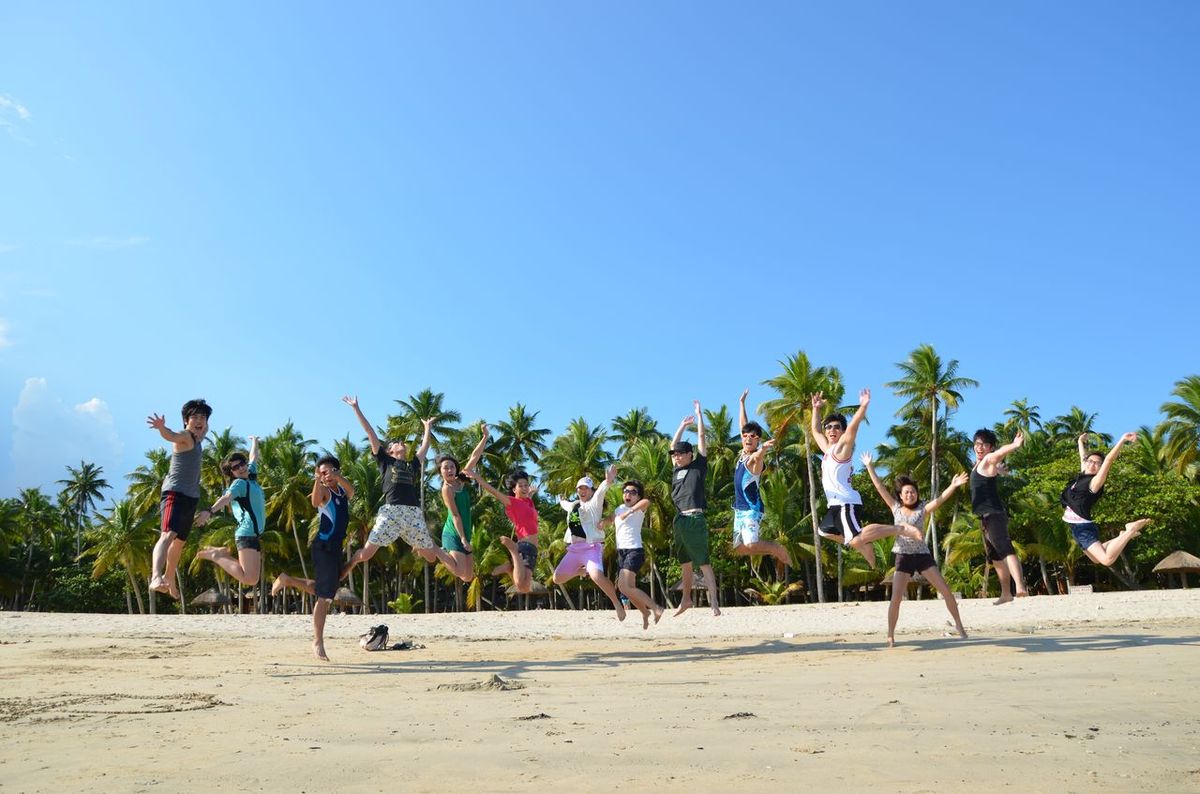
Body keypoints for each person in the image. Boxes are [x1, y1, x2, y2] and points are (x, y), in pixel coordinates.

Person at [340, 395, 459, 577]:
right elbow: (371, 433)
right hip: (392, 512)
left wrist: (427, 427)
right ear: (390, 451)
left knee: (430, 557)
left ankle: (416, 545)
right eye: (396, 443)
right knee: (366, 554)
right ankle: (351, 561)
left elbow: (424, 447)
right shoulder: (385, 461)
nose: (401, 442)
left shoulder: (412, 465)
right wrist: (356, 408)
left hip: (412, 513)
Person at [861, 452, 969, 647]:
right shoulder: (895, 508)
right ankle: (890, 634)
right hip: (903, 557)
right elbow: (879, 487)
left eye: (913, 491)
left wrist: (953, 485)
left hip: (922, 556)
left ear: (916, 494)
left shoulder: (923, 509)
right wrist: (870, 466)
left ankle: (960, 626)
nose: (910, 494)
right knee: (896, 598)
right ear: (901, 496)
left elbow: (941, 499)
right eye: (906, 492)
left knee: (946, 591)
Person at [810, 389, 921, 569]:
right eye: (828, 427)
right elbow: (815, 431)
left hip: (846, 503)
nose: (831, 430)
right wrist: (816, 408)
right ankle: (863, 544)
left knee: (855, 540)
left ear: (842, 431)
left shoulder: (841, 450)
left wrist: (862, 407)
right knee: (824, 531)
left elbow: (852, 428)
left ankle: (901, 528)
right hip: (835, 505)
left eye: (837, 427)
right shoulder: (827, 451)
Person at [271, 455, 355, 661]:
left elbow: (352, 491)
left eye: (329, 471)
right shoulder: (324, 491)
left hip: (336, 547)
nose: (327, 475)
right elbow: (315, 501)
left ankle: (287, 580)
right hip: (323, 547)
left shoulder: (342, 492)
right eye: (322, 472)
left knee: (328, 589)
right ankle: (317, 641)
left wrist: (338, 476)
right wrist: (318, 479)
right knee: (324, 597)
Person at [148, 399, 213, 600]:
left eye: (203, 417)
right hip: (174, 494)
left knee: (179, 543)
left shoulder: (199, 438)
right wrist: (161, 428)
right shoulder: (185, 437)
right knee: (167, 535)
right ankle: (156, 577)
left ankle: (169, 578)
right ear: (186, 421)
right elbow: (171, 436)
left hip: (190, 497)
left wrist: (204, 419)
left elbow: (205, 429)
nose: (200, 421)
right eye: (195, 417)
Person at [1062, 432, 1150, 568]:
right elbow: (1083, 458)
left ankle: (1130, 531)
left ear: (1100, 468)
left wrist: (1122, 439)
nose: (1093, 465)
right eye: (1090, 462)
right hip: (1077, 528)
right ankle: (1123, 536)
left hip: (1082, 528)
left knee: (1107, 560)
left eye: (1097, 464)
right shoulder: (1081, 477)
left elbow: (1109, 459)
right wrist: (1080, 442)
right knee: (1095, 559)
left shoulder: (1094, 483)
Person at [552, 465, 626, 621]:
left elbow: (601, 491)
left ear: (591, 491)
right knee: (557, 578)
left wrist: (608, 480)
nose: (582, 490)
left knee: (597, 576)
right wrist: (561, 500)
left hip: (591, 548)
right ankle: (580, 572)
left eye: (586, 488)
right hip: (574, 550)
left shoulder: (594, 504)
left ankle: (617, 603)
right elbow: (564, 504)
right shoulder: (573, 506)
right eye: (579, 488)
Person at [670, 401, 720, 617]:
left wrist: (699, 416)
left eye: (681, 454)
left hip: (694, 518)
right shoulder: (675, 470)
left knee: (704, 563)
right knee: (685, 564)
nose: (677, 457)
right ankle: (686, 600)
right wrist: (681, 426)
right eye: (675, 455)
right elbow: (673, 444)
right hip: (679, 520)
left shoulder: (698, 466)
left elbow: (701, 440)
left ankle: (715, 603)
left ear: (689, 455)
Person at [732, 389, 791, 569]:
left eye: (753, 437)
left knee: (750, 544)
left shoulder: (755, 461)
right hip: (739, 510)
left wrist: (763, 449)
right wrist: (741, 403)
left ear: (758, 440)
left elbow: (757, 459)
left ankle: (775, 548)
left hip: (752, 509)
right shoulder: (743, 453)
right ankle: (771, 549)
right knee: (739, 548)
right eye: (745, 436)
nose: (748, 438)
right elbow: (744, 425)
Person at [197, 436, 265, 588]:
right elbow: (226, 497)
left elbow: (253, 457)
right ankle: (217, 556)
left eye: (242, 464)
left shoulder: (251, 476)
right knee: (248, 579)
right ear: (231, 473)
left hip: (254, 534)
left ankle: (219, 555)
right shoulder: (239, 484)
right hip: (246, 532)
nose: (241, 468)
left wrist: (254, 441)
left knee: (252, 579)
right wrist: (210, 511)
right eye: (235, 468)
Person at [970, 428, 1028, 604]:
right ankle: (1005, 593)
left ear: (990, 447)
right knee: (995, 557)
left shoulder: (988, 459)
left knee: (1005, 549)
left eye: (984, 444)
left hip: (994, 514)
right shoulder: (979, 464)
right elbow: (993, 467)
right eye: (977, 444)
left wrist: (1015, 445)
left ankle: (1020, 587)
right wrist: (1000, 471)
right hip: (985, 517)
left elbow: (997, 455)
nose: (980, 447)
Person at [601, 479, 663, 629]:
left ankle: (656, 608)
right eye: (626, 491)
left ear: (638, 496)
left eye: (633, 492)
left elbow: (646, 501)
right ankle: (645, 612)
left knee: (623, 587)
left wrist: (629, 511)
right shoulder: (618, 509)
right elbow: (609, 520)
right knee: (628, 589)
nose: (628, 494)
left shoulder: (638, 508)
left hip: (634, 550)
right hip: (621, 553)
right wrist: (600, 521)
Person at [467, 468, 540, 594]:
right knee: (522, 585)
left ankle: (508, 567)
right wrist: (478, 478)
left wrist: (531, 494)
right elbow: (493, 491)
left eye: (526, 485)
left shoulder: (528, 501)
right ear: (514, 490)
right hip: (525, 546)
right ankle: (514, 551)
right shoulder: (512, 502)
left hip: (533, 549)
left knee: (524, 588)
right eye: (520, 486)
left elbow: (528, 506)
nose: (524, 488)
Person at [437, 423, 491, 583]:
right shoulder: (447, 489)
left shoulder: (460, 481)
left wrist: (485, 437)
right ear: (440, 472)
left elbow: (474, 457)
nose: (449, 470)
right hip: (453, 533)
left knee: (467, 577)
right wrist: (463, 539)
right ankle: (436, 550)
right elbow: (455, 515)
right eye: (445, 468)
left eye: (452, 466)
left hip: (465, 530)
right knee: (460, 571)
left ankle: (442, 550)